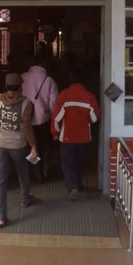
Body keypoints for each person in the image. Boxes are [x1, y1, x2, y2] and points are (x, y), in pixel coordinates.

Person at [0, 72, 39, 227]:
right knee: (22, 171)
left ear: (6, 86)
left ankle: (0, 217)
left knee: (0, 181)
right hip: (18, 145)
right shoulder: (26, 103)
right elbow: (26, 127)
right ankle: (25, 198)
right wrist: (33, 145)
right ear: (20, 86)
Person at [51, 71, 100, 200]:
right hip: (84, 136)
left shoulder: (64, 95)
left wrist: (55, 132)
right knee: (80, 161)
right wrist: (86, 121)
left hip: (67, 136)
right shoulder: (89, 96)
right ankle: (78, 184)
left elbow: (57, 117)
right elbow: (95, 117)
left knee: (67, 161)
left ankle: (73, 187)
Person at [21, 49, 58, 182]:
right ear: (44, 65)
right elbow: (54, 103)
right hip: (43, 119)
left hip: (26, 119)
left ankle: (34, 172)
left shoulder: (22, 77)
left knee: (31, 145)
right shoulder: (49, 80)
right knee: (45, 145)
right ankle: (45, 171)